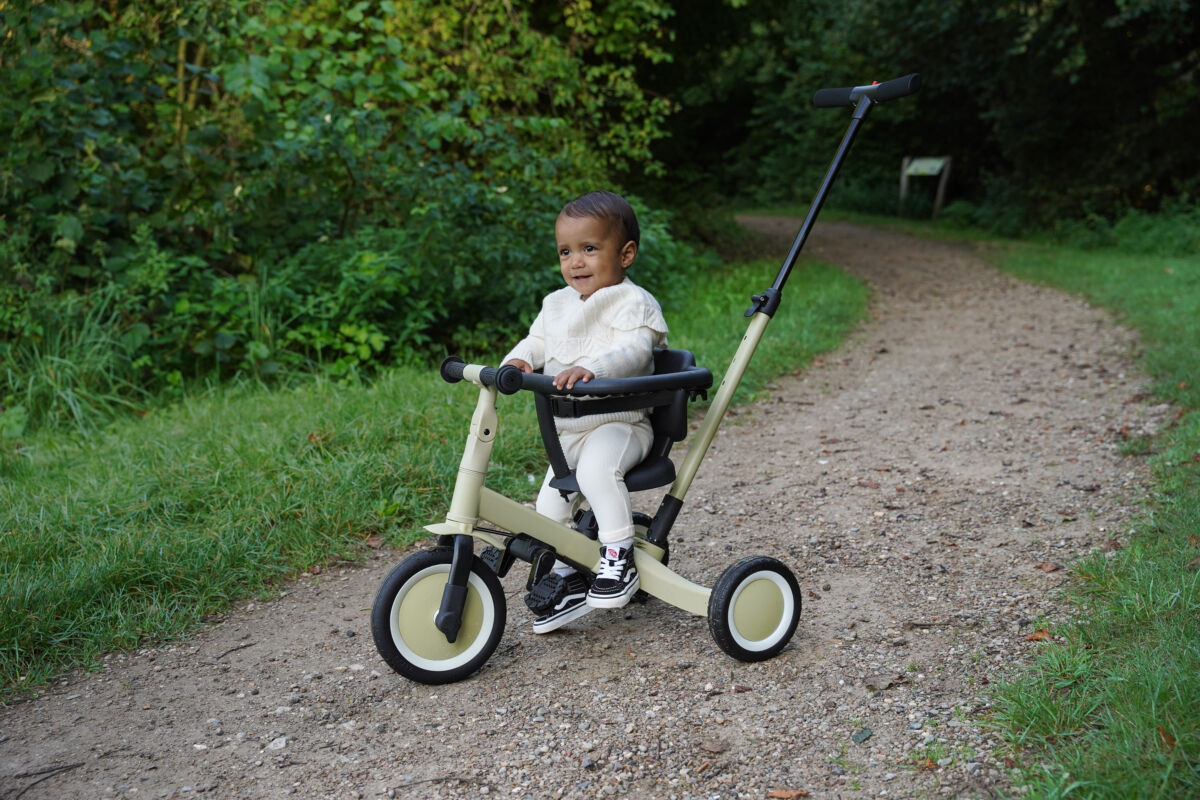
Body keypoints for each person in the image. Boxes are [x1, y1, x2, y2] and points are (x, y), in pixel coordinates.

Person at [502, 190, 668, 633]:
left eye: (589, 249)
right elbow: (537, 343)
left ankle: (619, 557)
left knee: (597, 474)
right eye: (566, 251)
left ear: (626, 254)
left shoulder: (634, 302)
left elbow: (633, 351)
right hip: (568, 433)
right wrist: (518, 362)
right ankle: (568, 575)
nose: (576, 261)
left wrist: (590, 368)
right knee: (546, 513)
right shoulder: (555, 305)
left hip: (622, 424)